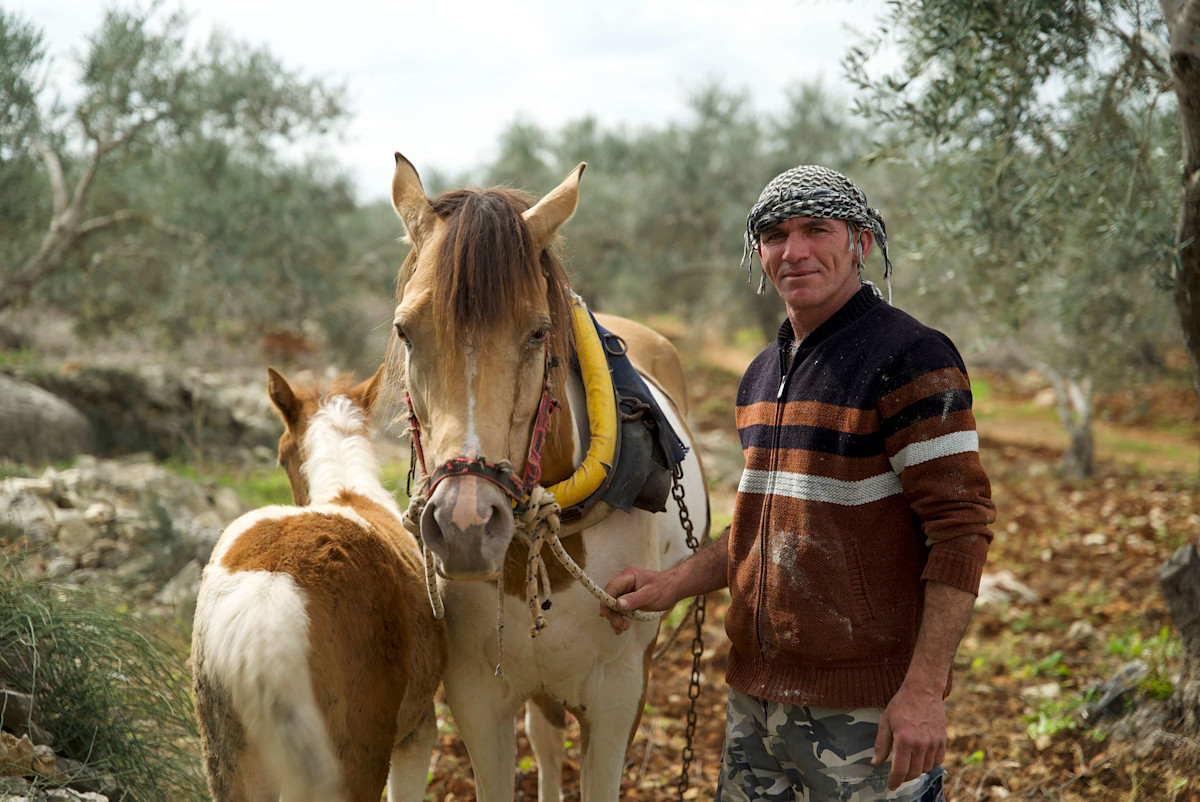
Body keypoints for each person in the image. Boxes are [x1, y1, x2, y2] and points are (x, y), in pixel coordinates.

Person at [601, 165, 997, 801]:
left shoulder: (909, 358)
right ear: (758, 253)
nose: (795, 251)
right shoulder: (762, 376)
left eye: (817, 230)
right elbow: (765, 527)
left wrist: (924, 690)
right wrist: (671, 583)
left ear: (861, 242)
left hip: (866, 715)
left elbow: (961, 530)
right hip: (755, 705)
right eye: (776, 235)